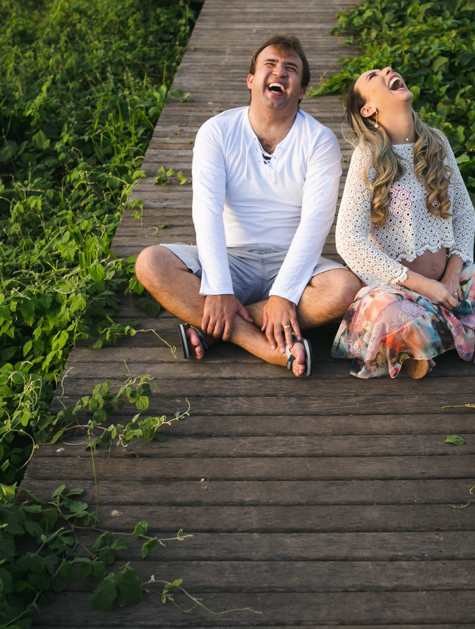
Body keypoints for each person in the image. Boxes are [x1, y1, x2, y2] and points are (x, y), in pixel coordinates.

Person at [134, 35, 361, 377]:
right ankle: (263, 347)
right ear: (251, 80)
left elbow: (316, 222)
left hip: (291, 262)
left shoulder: (319, 141)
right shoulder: (218, 131)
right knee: (151, 263)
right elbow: (207, 211)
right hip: (230, 257)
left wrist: (283, 295)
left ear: (301, 90)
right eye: (270, 65)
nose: (279, 72)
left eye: (291, 69)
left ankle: (213, 329)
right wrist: (219, 288)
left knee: (345, 290)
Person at [331, 66, 475, 379]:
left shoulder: (436, 142)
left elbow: (463, 213)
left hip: (454, 288)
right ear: (368, 109)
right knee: (386, 313)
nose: (387, 70)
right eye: (373, 76)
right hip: (402, 292)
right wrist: (424, 286)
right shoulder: (368, 155)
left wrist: (451, 275)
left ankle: (433, 342)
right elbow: (349, 240)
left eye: (386, 69)